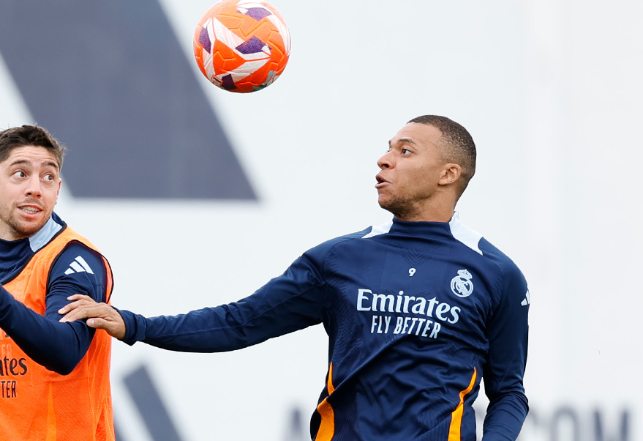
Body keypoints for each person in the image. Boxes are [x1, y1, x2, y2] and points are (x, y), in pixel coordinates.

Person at [60, 115, 530, 440]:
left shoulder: (496, 273)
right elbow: (240, 322)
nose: (384, 160)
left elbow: (508, 393)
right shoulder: (339, 259)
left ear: (450, 173)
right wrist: (134, 325)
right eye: (386, 149)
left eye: (404, 151)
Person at [0, 125, 115, 441]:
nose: (35, 188)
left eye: (48, 177)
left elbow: (65, 352)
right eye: (20, 174)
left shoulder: (75, 261)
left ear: (57, 190)